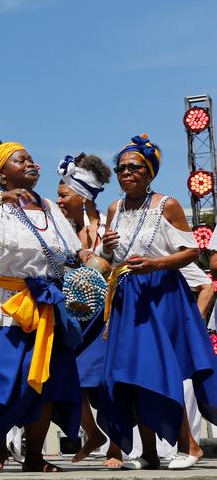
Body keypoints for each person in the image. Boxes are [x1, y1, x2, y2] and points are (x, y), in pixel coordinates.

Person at [0, 141, 83, 473]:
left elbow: (71, 254)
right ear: (1, 174)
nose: (31, 163)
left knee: (43, 381)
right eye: (20, 159)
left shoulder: (51, 208)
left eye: (31, 158)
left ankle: (35, 455)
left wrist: (96, 261)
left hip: (44, 304)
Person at [97, 134, 217, 470]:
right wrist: (106, 248)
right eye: (120, 168)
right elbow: (109, 258)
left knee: (159, 369)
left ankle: (190, 445)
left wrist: (156, 264)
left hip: (161, 292)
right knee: (132, 373)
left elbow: (192, 252)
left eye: (134, 167)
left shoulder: (168, 204)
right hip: (127, 294)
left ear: (149, 172)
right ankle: (148, 452)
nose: (126, 173)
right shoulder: (114, 208)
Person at [53, 153, 125, 468]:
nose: (58, 201)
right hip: (72, 319)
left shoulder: (111, 225)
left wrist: (106, 253)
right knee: (71, 378)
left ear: (83, 198)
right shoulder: (58, 231)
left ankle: (116, 448)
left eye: (63, 195)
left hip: (108, 316)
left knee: (107, 382)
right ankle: (92, 433)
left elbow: (118, 265)